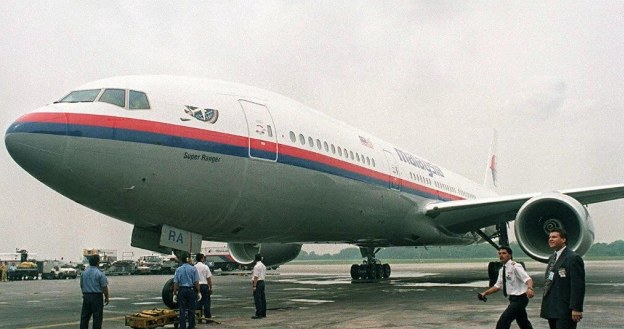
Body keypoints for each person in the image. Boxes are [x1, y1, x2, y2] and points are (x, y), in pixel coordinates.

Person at [479, 246, 535, 329]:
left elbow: (528, 279)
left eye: (504, 253)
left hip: (520, 300)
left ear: (510, 255)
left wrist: (530, 288)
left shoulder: (516, 266)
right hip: (513, 299)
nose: (501, 255)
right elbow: (497, 286)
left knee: (503, 322)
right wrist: (485, 293)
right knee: (523, 323)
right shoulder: (502, 270)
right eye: (499, 253)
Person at [540, 228, 585, 329]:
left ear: (563, 239)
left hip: (565, 310)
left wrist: (576, 308)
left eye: (554, 237)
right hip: (552, 309)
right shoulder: (552, 258)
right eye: (550, 237)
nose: (550, 239)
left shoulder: (573, 258)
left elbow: (578, 286)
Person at [80, 254, 109, 329]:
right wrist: (107, 297)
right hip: (96, 297)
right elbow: (104, 287)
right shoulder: (100, 273)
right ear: (97, 262)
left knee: (84, 318)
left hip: (86, 296)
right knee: (97, 318)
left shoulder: (84, 273)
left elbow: (81, 285)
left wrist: (84, 294)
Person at [173, 253, 200, 329]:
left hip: (182, 290)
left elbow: (176, 282)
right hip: (191, 290)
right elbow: (196, 282)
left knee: (182, 309)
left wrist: (174, 293)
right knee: (191, 309)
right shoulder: (193, 269)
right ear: (188, 259)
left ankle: (182, 326)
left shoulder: (178, 269)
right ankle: (191, 326)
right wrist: (198, 292)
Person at [194, 253, 213, 321]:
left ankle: (199, 318)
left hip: (197, 286)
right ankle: (207, 318)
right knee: (206, 302)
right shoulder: (205, 267)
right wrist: (210, 287)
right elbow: (209, 279)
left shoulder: (194, 267)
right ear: (202, 258)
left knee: (198, 302)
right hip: (204, 285)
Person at [251, 253, 267, 319]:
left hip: (258, 283)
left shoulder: (256, 266)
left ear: (255, 259)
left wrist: (254, 286)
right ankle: (263, 313)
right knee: (263, 298)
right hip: (262, 282)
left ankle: (259, 313)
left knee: (258, 299)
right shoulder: (263, 265)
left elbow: (256, 277)